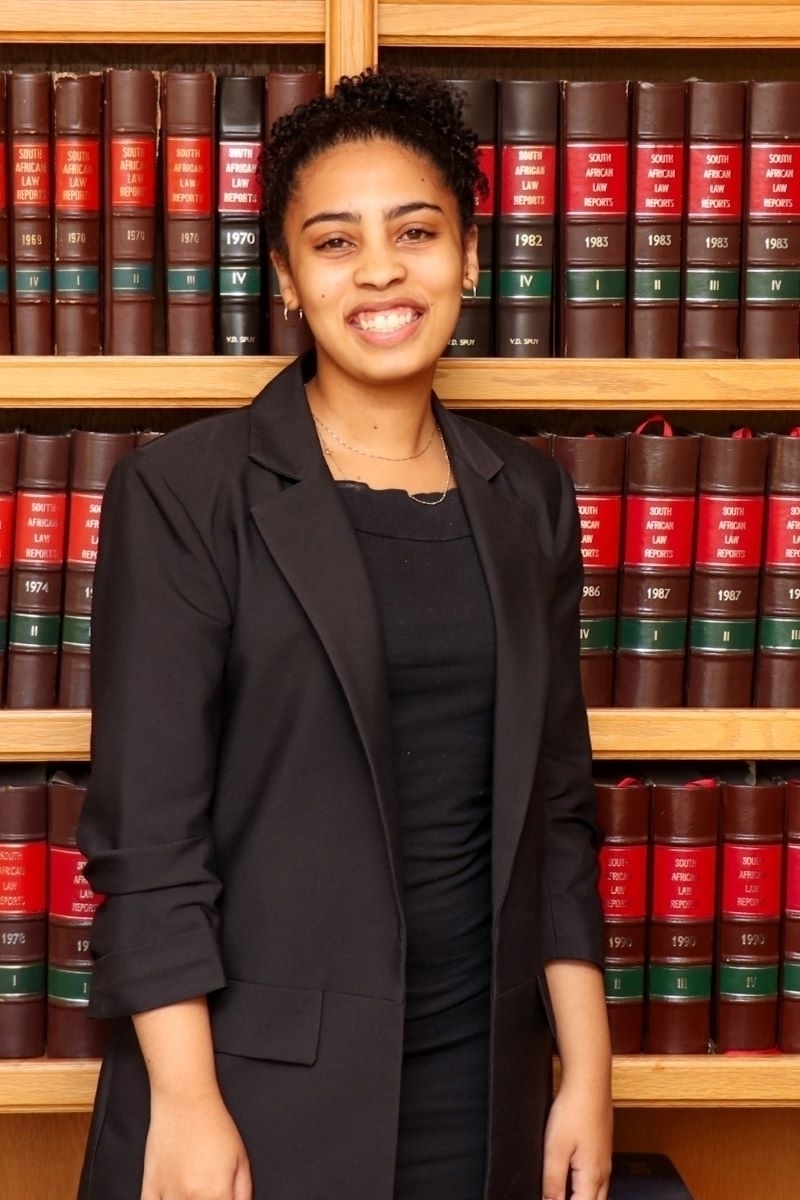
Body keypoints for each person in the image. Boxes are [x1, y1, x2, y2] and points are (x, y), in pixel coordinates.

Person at [76, 67, 612, 1200]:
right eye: (334, 241)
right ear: (285, 276)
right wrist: (186, 1103)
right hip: (253, 1092)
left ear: (469, 256)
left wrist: (586, 1069)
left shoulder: (529, 498)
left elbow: (557, 811)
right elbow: (147, 838)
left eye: (415, 231)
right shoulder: (185, 493)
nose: (379, 270)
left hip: (487, 1087)